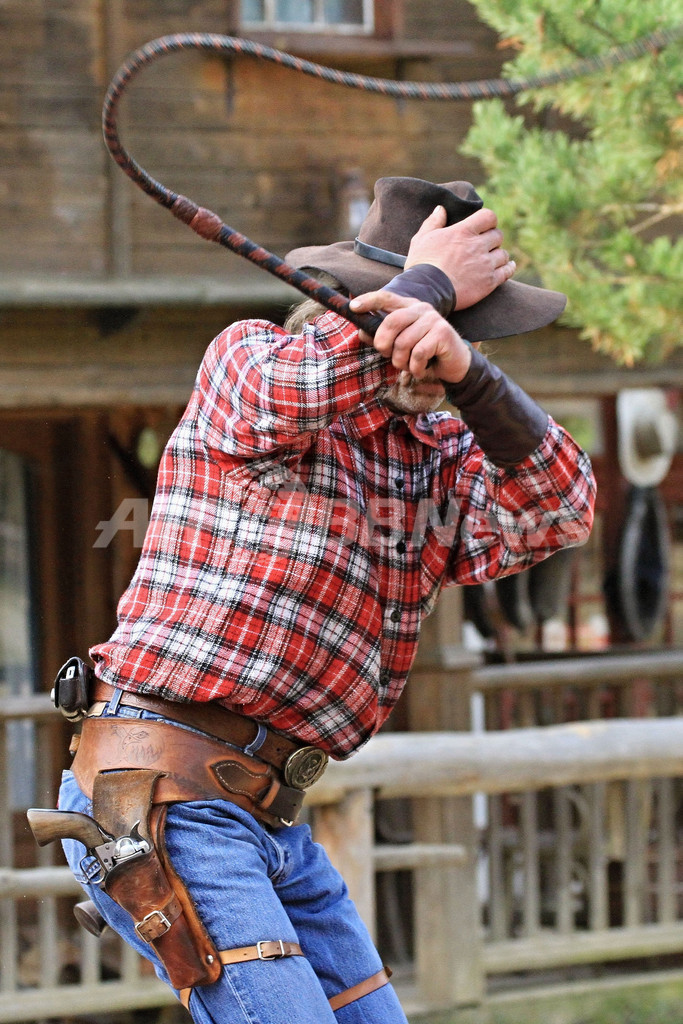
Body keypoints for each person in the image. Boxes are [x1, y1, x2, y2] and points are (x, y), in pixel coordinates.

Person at [56, 177, 595, 1024]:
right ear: (357, 303)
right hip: (160, 792)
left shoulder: (435, 454)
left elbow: (561, 510)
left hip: (271, 821)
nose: (439, 348)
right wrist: (425, 290)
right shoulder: (249, 362)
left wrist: (473, 377)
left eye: (463, 334)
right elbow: (294, 389)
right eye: (438, 322)